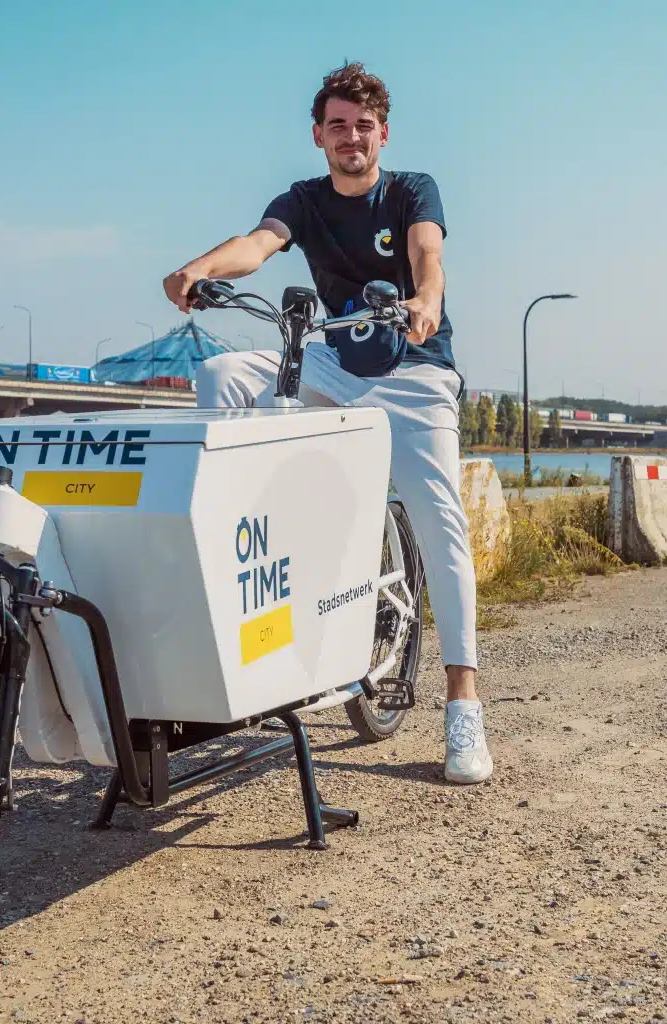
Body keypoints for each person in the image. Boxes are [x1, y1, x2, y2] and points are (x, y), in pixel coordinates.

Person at [162, 62, 492, 784]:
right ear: (318, 134)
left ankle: (464, 704)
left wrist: (427, 299)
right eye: (337, 126)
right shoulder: (304, 200)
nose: (351, 137)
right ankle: (234, 562)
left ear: (382, 134)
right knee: (222, 374)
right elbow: (259, 244)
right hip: (335, 369)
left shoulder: (410, 191)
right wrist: (197, 267)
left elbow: (427, 253)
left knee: (441, 522)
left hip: (414, 373)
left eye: (363, 127)